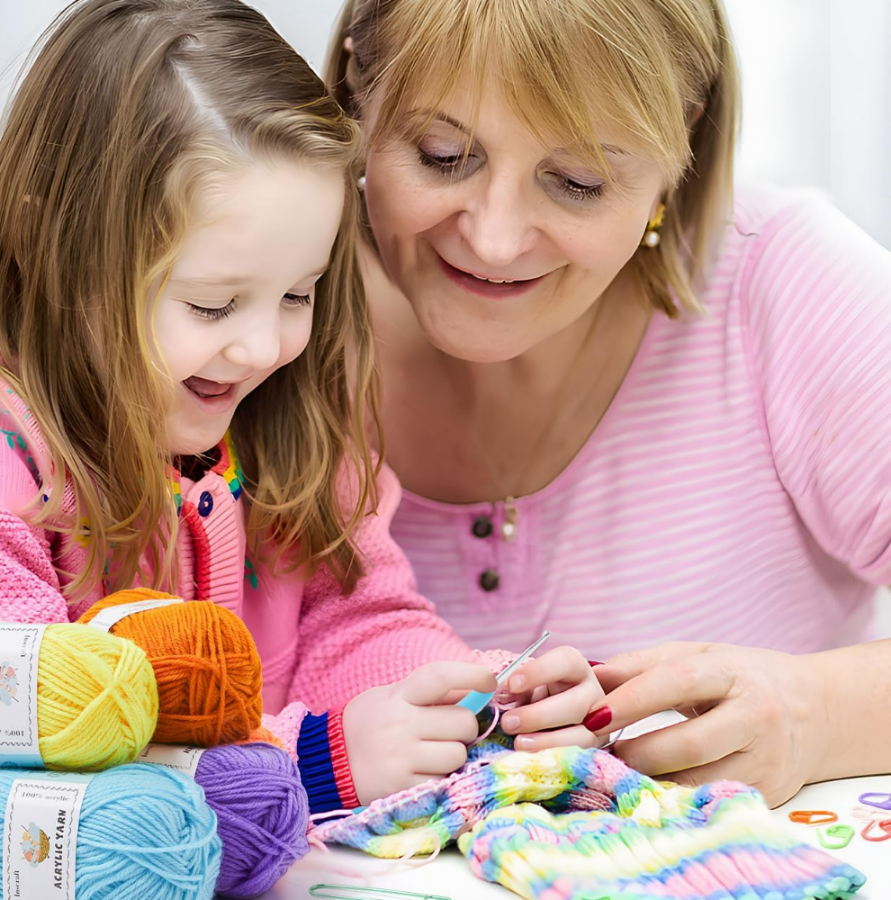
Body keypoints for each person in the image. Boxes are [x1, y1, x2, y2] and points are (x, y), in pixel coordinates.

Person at [0, 0, 600, 810]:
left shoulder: (283, 406)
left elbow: (353, 620)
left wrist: (481, 700)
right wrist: (316, 760)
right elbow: (29, 751)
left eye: (298, 294)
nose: (262, 348)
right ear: (59, 251)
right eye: (213, 305)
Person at [319, 0, 891, 806]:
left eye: (577, 182)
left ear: (680, 139)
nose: (494, 239)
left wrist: (818, 713)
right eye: (443, 156)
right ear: (358, 93)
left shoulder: (782, 287)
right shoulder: (248, 330)